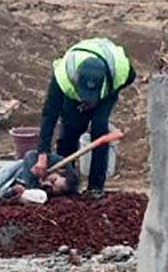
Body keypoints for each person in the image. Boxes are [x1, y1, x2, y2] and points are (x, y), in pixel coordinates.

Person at [32, 38, 136, 198]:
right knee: (70, 130)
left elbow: (129, 79)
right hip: (75, 97)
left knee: (99, 128)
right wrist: (42, 154)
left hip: (105, 93)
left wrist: (103, 98)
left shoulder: (120, 69)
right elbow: (49, 113)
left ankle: (96, 187)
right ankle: (66, 181)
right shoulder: (64, 76)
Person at [0, 149, 79, 201]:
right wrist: (29, 185)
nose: (47, 183)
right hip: (20, 169)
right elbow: (30, 155)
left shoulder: (43, 196)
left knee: (4, 193)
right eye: (53, 180)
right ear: (60, 171)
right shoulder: (58, 161)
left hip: (18, 182)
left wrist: (15, 191)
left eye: (50, 189)